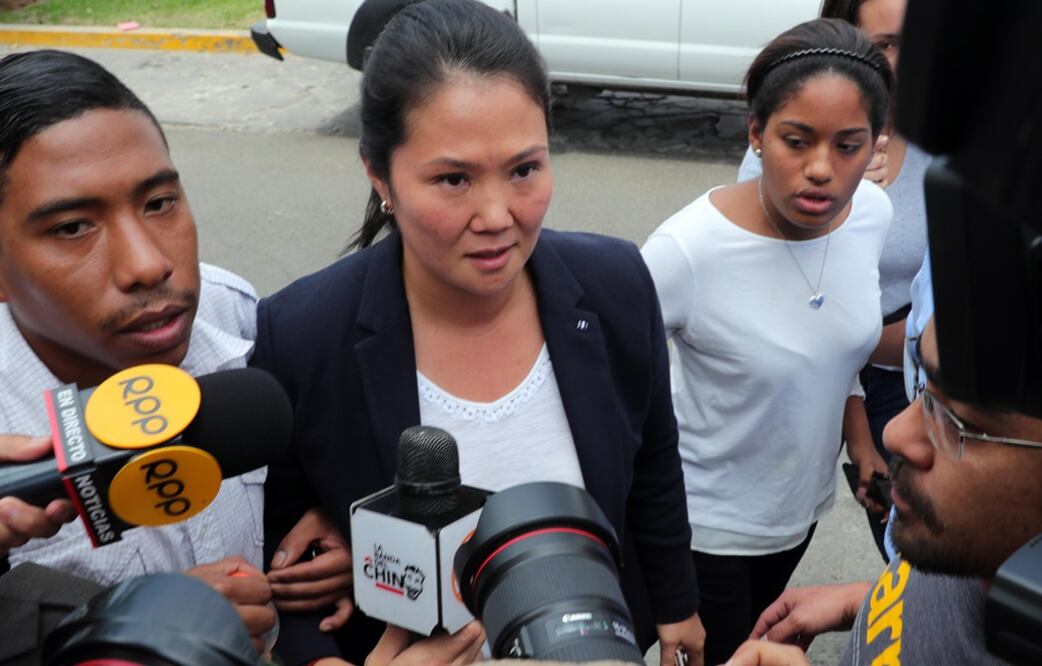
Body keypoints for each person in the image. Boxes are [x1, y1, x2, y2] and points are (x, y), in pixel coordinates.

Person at [252, 1, 705, 664]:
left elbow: (654, 460)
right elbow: (285, 573)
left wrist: (676, 608)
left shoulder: (616, 285)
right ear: (380, 176)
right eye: (454, 179)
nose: (496, 216)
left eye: (524, 169)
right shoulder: (301, 336)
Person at [0, 49, 352, 660]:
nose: (148, 264)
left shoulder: (233, 312)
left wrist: (334, 519)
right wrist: (146, 626)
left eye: (159, 202)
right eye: (72, 227)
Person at [641, 18, 893, 665]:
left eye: (847, 145)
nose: (821, 170)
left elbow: (835, 349)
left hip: (798, 510)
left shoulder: (870, 214)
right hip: (706, 527)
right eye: (796, 140)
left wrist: (861, 442)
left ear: (876, 144)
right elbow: (608, 384)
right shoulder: (686, 251)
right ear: (755, 133)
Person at [740, 0, 932, 560]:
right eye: (886, 44)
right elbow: (775, 295)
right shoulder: (799, 147)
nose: (903, 61)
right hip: (811, 365)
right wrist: (839, 205)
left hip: (907, 373)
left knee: (912, 551)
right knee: (770, 533)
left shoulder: (944, 136)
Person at [732, 316, 1037, 665]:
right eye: (924, 390)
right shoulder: (978, 543)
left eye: (960, 424)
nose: (895, 433)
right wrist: (869, 601)